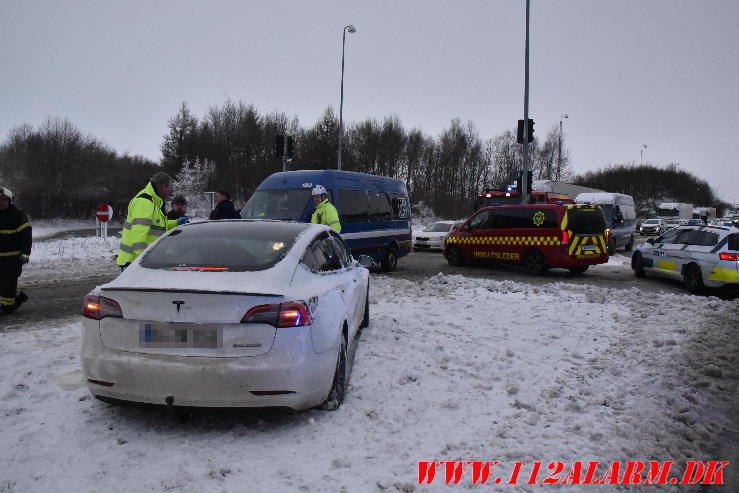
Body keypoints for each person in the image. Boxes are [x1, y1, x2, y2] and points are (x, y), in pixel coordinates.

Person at [116, 172, 187, 270]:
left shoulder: (155, 201)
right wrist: (143, 260)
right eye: (169, 187)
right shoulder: (145, 201)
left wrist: (176, 223)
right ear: (161, 186)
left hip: (140, 260)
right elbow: (138, 233)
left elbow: (157, 226)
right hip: (134, 262)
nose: (170, 190)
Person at [0, 187, 31, 315]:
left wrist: (25, 254)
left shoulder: (18, 216)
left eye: (4, 200)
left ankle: (8, 307)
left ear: (10, 201)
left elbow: (26, 237)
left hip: (13, 257)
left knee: (7, 281)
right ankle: (18, 297)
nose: (1, 202)